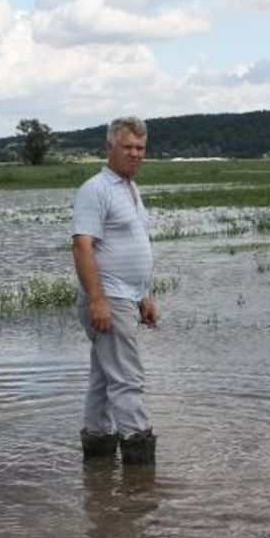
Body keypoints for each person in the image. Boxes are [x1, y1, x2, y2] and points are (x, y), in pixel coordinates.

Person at [71, 116, 158, 465]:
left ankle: (97, 459)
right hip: (109, 298)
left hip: (126, 297)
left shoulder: (130, 188)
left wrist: (145, 296)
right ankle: (141, 468)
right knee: (127, 379)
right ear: (109, 149)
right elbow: (81, 246)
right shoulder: (96, 189)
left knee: (103, 378)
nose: (135, 154)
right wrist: (98, 301)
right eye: (128, 147)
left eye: (140, 148)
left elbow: (135, 244)